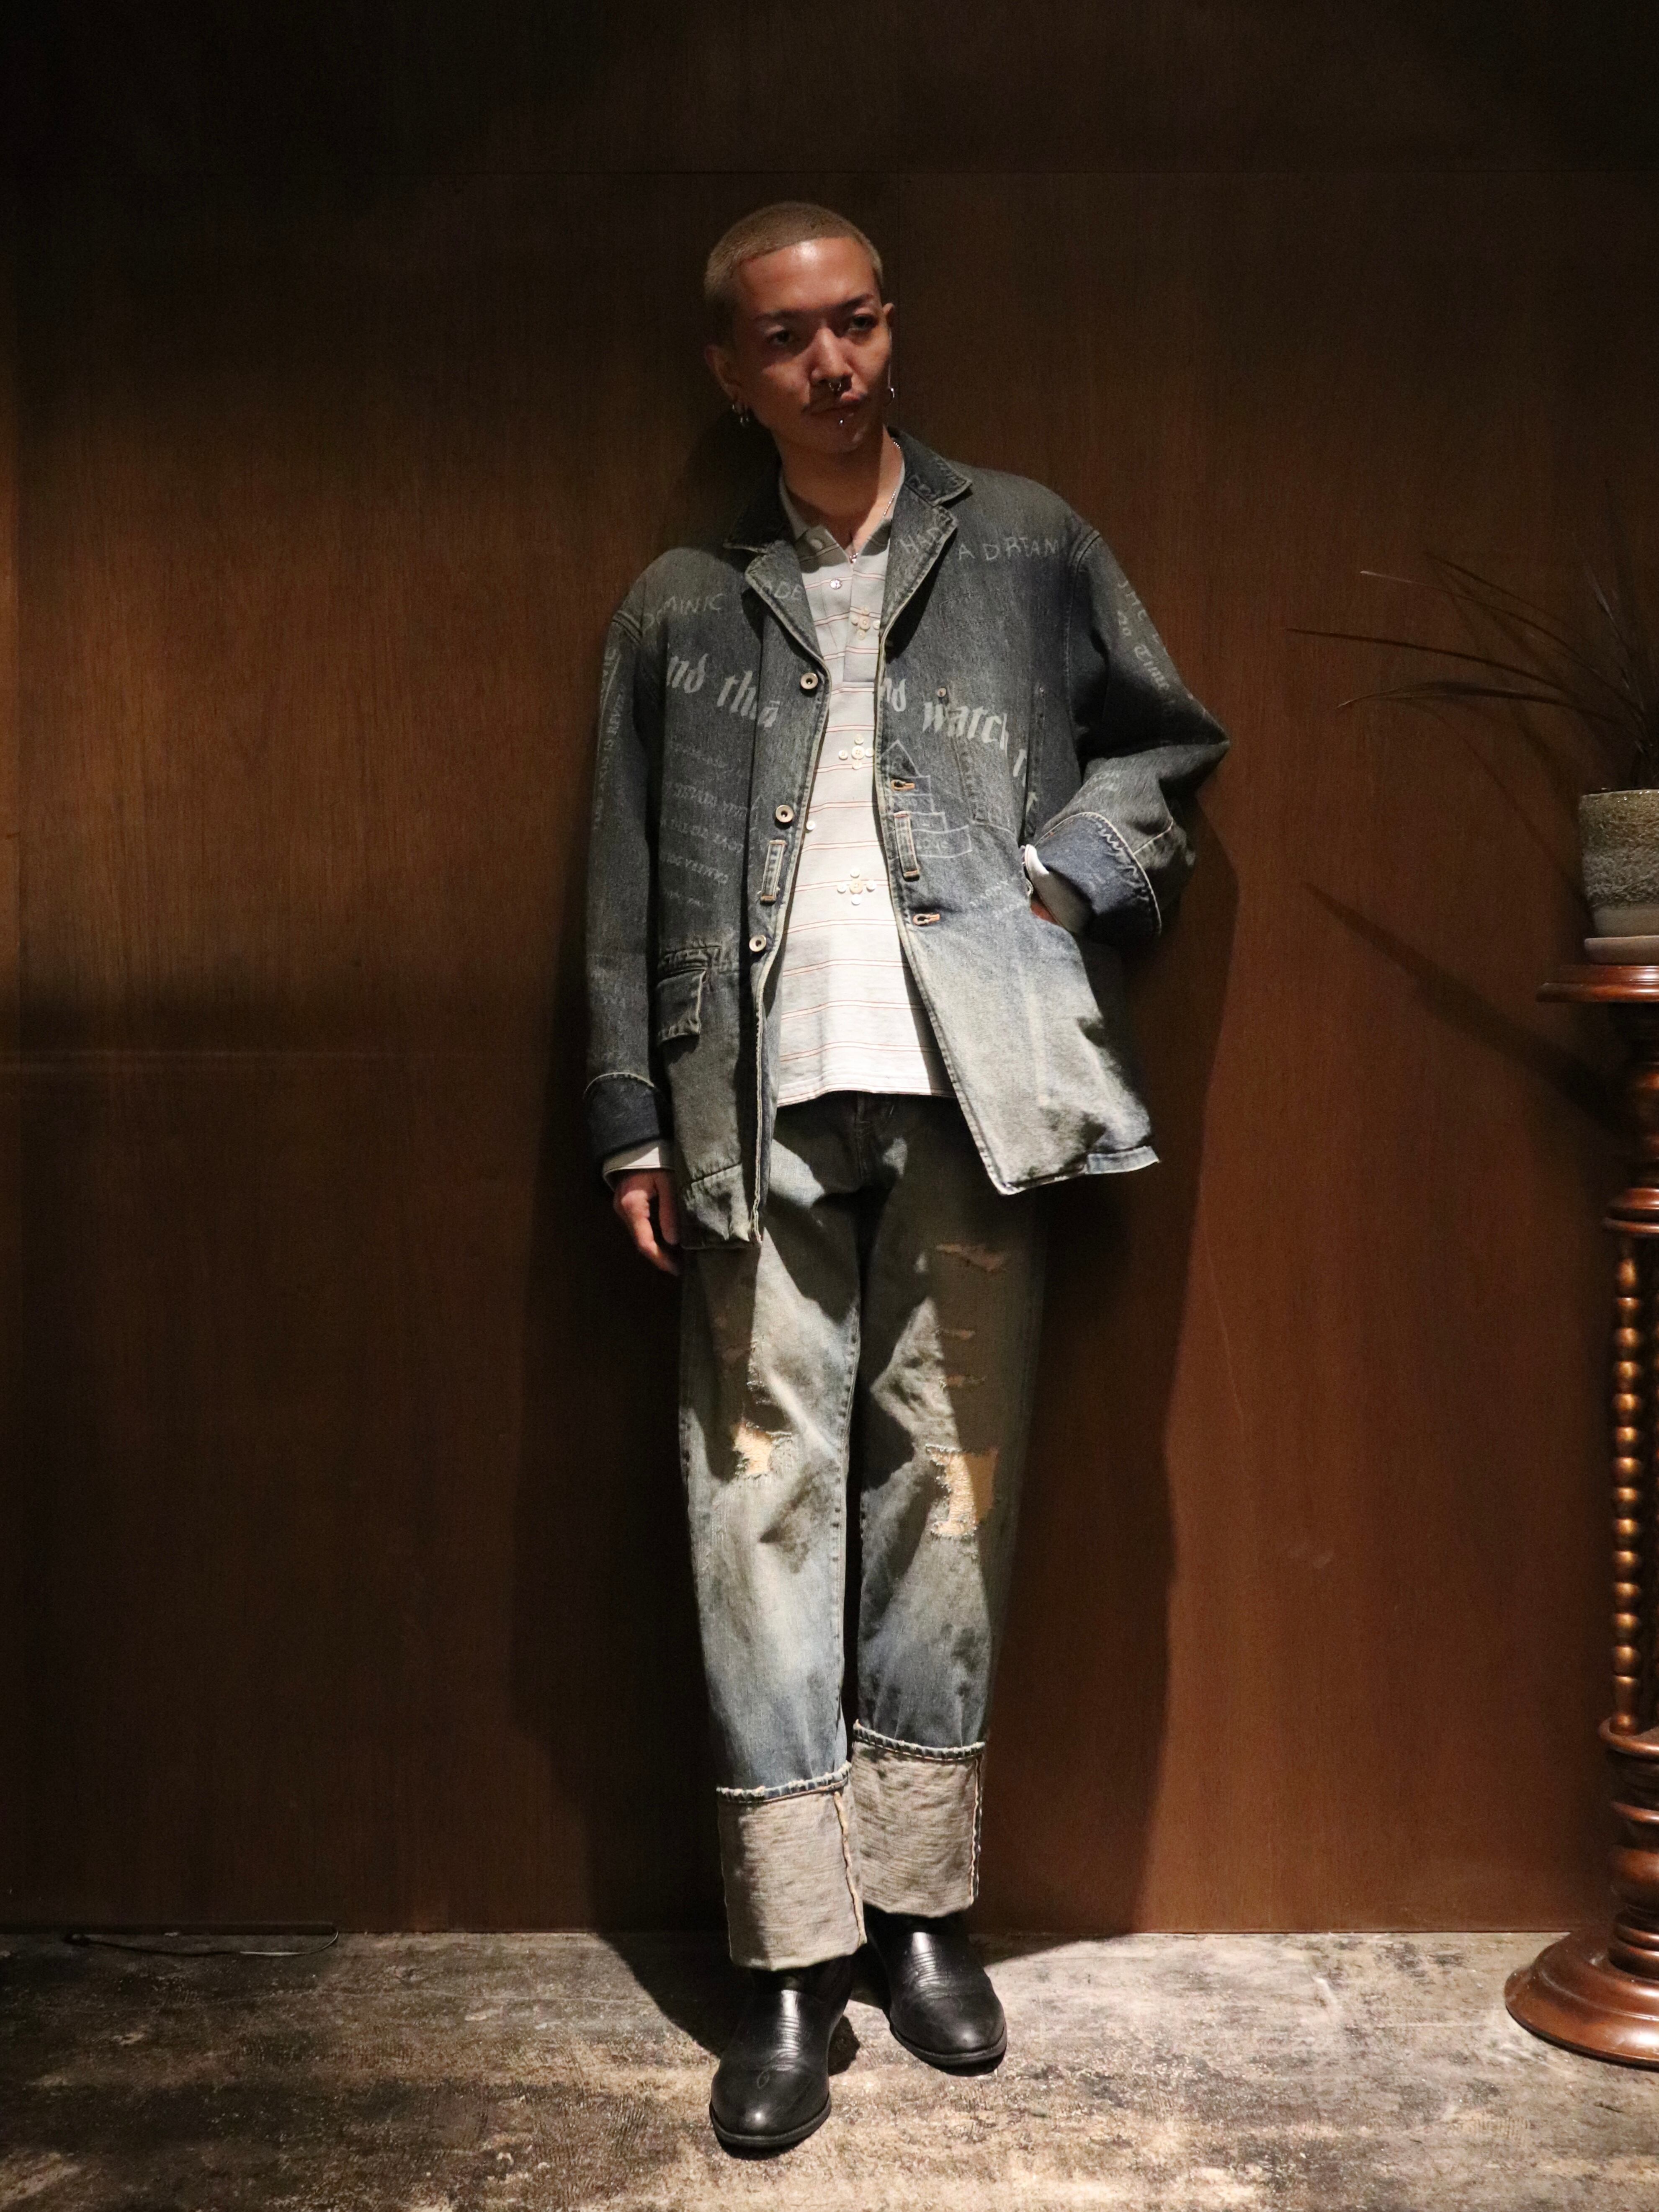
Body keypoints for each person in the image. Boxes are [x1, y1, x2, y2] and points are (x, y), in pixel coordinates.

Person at [584, 201, 1227, 2155]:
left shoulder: (1020, 539)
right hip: (747, 1106)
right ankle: (788, 1957)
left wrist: (1060, 881)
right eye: (791, 338)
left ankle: (922, 1912)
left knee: (951, 1493)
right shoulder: (679, 604)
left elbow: (1166, 748)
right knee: (754, 1510)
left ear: (890, 326)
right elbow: (617, 878)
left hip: (976, 1091)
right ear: (732, 370)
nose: (834, 362)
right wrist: (628, 1116)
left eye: (858, 321)